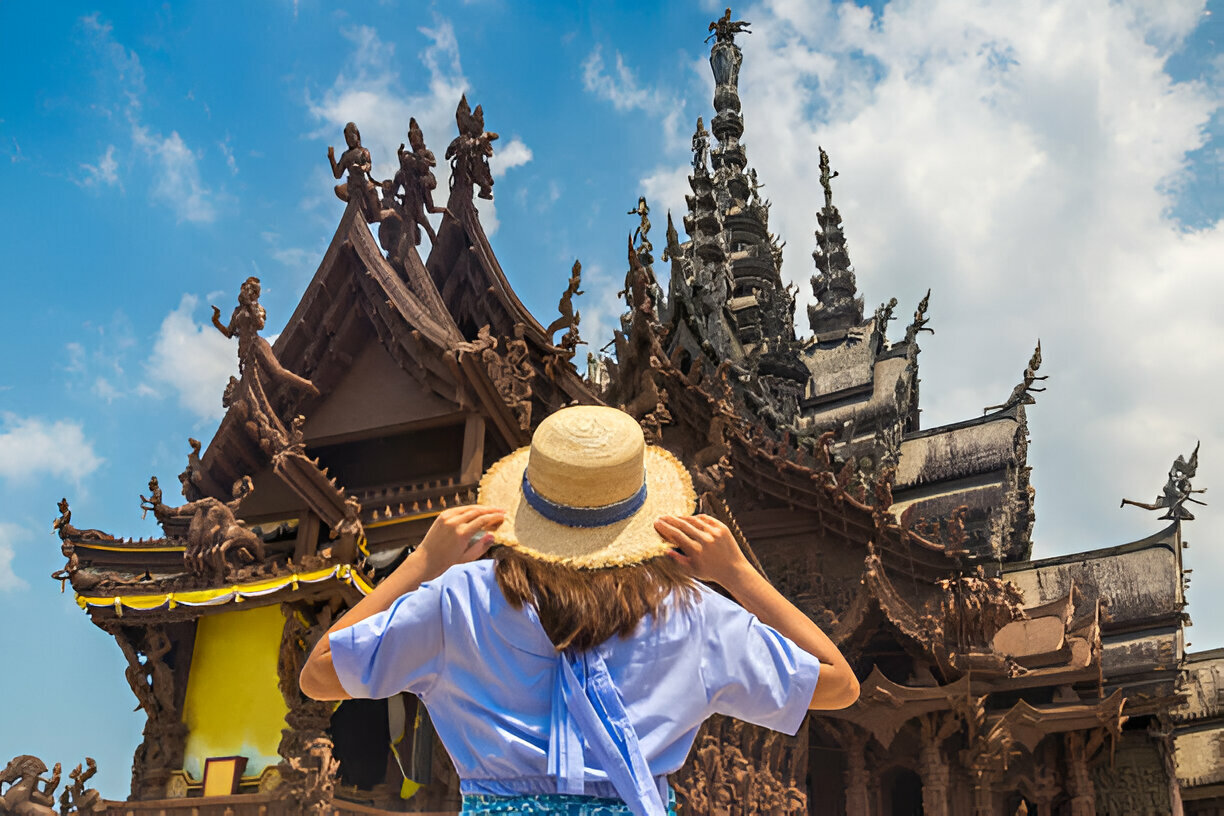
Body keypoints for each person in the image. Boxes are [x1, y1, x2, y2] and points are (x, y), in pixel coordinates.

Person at [300, 405, 859, 815]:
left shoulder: (460, 599)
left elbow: (319, 675)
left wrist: (421, 562)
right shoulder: (692, 613)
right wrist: (736, 574)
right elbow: (838, 684)